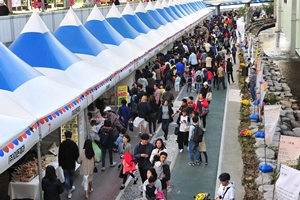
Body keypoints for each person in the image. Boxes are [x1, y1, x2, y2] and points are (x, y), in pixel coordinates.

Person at [58, 131, 79, 199]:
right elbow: (77, 154)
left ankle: (68, 191)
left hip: (64, 164)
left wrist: (60, 163)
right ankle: (70, 187)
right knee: (71, 176)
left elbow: (60, 155)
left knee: (66, 177)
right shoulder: (74, 144)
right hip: (72, 163)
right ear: (71, 136)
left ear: (65, 136)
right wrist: (77, 160)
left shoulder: (62, 145)